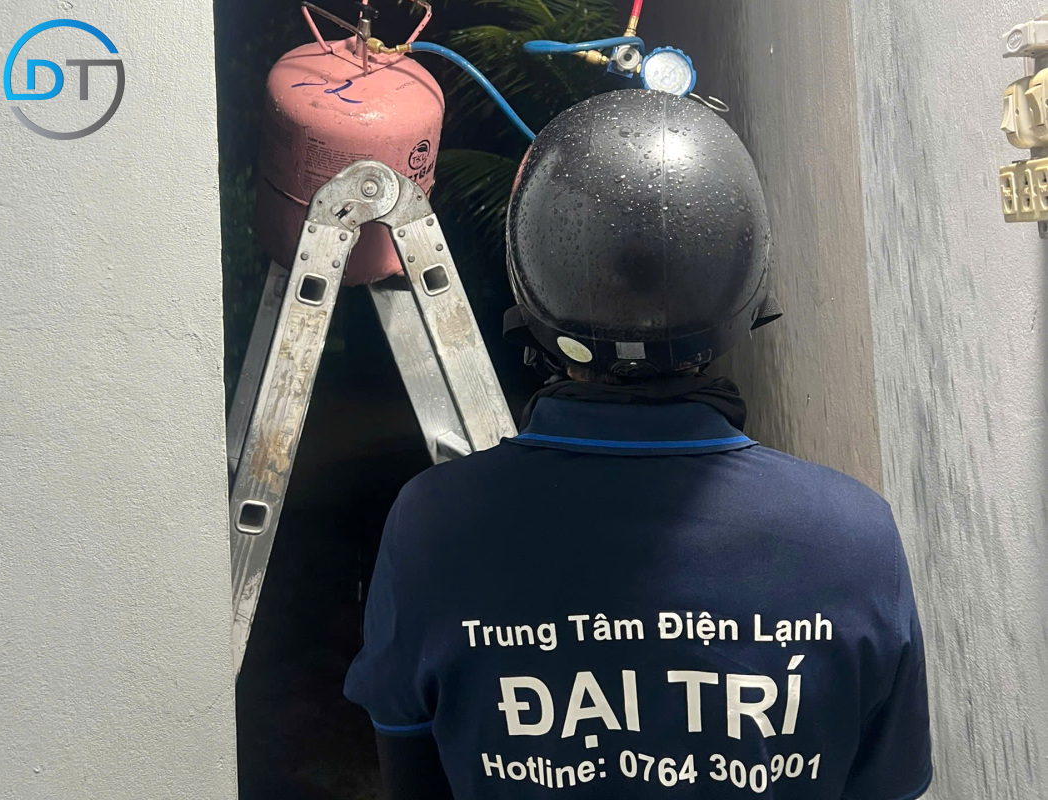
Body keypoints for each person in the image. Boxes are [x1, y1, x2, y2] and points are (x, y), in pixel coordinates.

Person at [344, 88, 933, 800]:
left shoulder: (432, 526)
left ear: (531, 288)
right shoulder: (855, 537)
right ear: (743, 292)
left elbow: (412, 773)